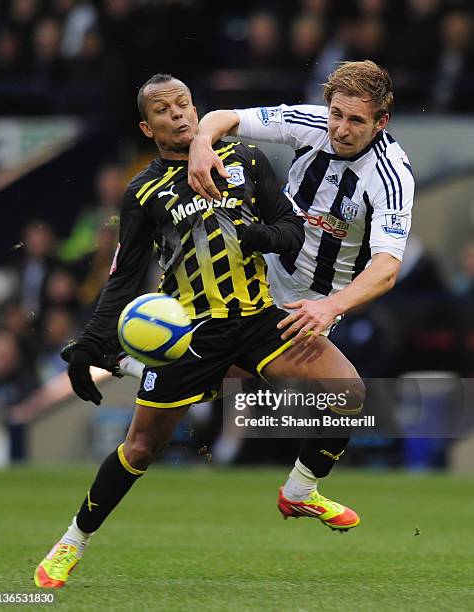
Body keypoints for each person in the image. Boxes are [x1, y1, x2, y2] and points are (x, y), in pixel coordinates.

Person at [34, 73, 365, 589]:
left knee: (348, 392)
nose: (179, 114)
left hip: (259, 317)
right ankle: (71, 543)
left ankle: (300, 491)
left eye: (185, 103)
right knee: (141, 449)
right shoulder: (143, 192)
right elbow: (125, 275)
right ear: (148, 127)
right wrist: (91, 345)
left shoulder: (247, 160)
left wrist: (266, 236)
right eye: (164, 110)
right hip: (189, 333)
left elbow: (292, 229)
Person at [188, 59, 415, 518]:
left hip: (310, 305)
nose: (341, 128)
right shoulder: (310, 124)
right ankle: (130, 357)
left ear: (381, 122)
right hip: (253, 277)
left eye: (356, 120)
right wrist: (201, 143)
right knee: (228, 374)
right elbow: (225, 118)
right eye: (336, 113)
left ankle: (298, 491)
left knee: (340, 397)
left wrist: (331, 307)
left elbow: (387, 267)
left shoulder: (391, 177)